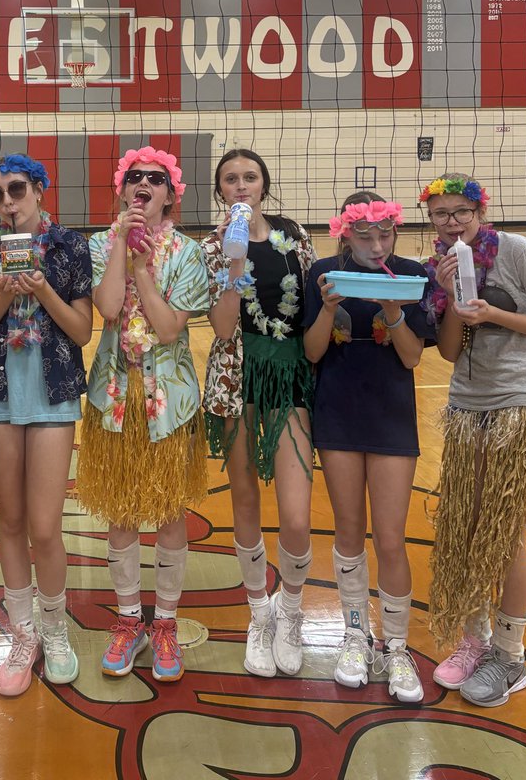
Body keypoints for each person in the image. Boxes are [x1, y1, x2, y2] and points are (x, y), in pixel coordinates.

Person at [420, 172, 526, 707]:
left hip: (522, 402)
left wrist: (494, 312)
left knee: (504, 532)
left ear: (480, 212)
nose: (452, 222)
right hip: (467, 403)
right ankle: (474, 641)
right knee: (464, 526)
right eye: (441, 214)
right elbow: (449, 353)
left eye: (461, 211)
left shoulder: (517, 251)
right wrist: (446, 295)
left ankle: (510, 657)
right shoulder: (437, 264)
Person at [77, 146, 210, 684]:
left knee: (171, 510)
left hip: (170, 403)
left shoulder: (186, 253)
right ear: (121, 189)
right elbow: (109, 310)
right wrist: (119, 252)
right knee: (121, 511)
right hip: (113, 397)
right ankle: (130, 618)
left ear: (170, 195)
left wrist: (142, 269)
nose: (144, 185)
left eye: (156, 179)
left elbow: (169, 328)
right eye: (135, 177)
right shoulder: (97, 244)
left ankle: (167, 623)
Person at [0, 154, 93, 696]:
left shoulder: (69, 247)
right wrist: (3, 291)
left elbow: (83, 332)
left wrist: (41, 290)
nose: (8, 202)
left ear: (39, 189)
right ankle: (23, 634)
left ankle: (55, 629)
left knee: (45, 526)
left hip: (53, 394)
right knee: (10, 523)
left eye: (16, 189)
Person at [303, 191, 433, 703]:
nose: (377, 245)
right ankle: (355, 633)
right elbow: (313, 351)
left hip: (390, 417)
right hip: (337, 412)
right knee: (349, 530)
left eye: (385, 234)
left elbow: (412, 360)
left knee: (393, 537)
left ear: (395, 233)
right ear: (345, 235)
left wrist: (391, 308)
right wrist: (328, 306)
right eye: (365, 236)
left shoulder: (408, 273)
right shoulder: (324, 273)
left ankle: (396, 646)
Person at [202, 149, 316, 678]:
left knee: (295, 514)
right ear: (221, 191)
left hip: (290, 376)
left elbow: (315, 304)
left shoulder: (294, 235)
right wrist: (232, 266)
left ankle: (290, 610)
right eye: (231, 179)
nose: (241, 185)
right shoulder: (210, 245)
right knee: (245, 502)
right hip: (237, 377)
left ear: (263, 185)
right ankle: (258, 614)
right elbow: (224, 329)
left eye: (250, 177)